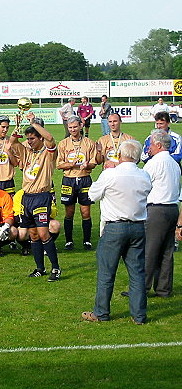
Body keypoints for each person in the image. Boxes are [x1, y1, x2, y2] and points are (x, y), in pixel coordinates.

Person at [82, 139, 152, 325]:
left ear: (120, 155)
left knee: (106, 272)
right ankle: (139, 316)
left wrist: (109, 171)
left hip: (115, 227)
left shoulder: (110, 175)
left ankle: (101, 312)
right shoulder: (144, 175)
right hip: (137, 226)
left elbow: (92, 195)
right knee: (137, 273)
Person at [9, 112, 61, 281]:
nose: (29, 141)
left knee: (44, 233)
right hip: (27, 198)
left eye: (32, 138)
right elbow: (12, 143)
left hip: (41, 196)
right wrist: (17, 126)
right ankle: (40, 268)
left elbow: (51, 138)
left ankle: (56, 268)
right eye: (28, 138)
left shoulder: (48, 153)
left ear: (40, 138)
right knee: (33, 234)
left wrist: (33, 123)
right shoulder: (27, 152)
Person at [141, 130, 180, 298]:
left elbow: (143, 185)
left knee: (149, 249)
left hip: (157, 209)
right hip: (172, 208)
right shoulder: (173, 163)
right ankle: (164, 288)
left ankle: (142, 287)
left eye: (150, 144)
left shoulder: (154, 163)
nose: (149, 147)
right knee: (167, 250)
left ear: (158, 145)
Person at [57, 115, 97, 251]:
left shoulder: (89, 143)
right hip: (69, 180)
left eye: (75, 127)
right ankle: (69, 241)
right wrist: (70, 164)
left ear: (80, 126)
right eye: (70, 127)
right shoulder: (63, 144)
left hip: (85, 179)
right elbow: (59, 165)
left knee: (85, 212)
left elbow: (94, 163)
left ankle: (87, 241)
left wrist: (88, 165)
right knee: (69, 212)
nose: (73, 129)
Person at [12, 189, 61, 256]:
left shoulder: (46, 194)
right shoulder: (20, 194)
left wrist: (44, 212)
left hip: (42, 221)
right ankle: (26, 247)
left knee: (56, 225)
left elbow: (54, 212)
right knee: (22, 233)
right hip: (27, 222)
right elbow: (17, 213)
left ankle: (46, 245)